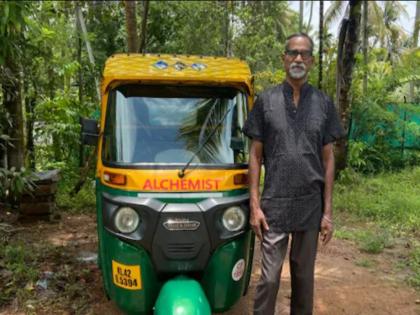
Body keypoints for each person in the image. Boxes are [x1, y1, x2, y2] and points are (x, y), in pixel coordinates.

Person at [243, 33, 346, 315]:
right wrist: (254, 207)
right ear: (284, 59)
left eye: (304, 54)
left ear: (311, 61)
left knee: (303, 280)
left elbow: (328, 159)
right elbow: (255, 154)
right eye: (292, 53)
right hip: (274, 204)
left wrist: (327, 212)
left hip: (309, 207)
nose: (298, 58)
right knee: (269, 278)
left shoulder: (323, 103)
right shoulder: (266, 100)